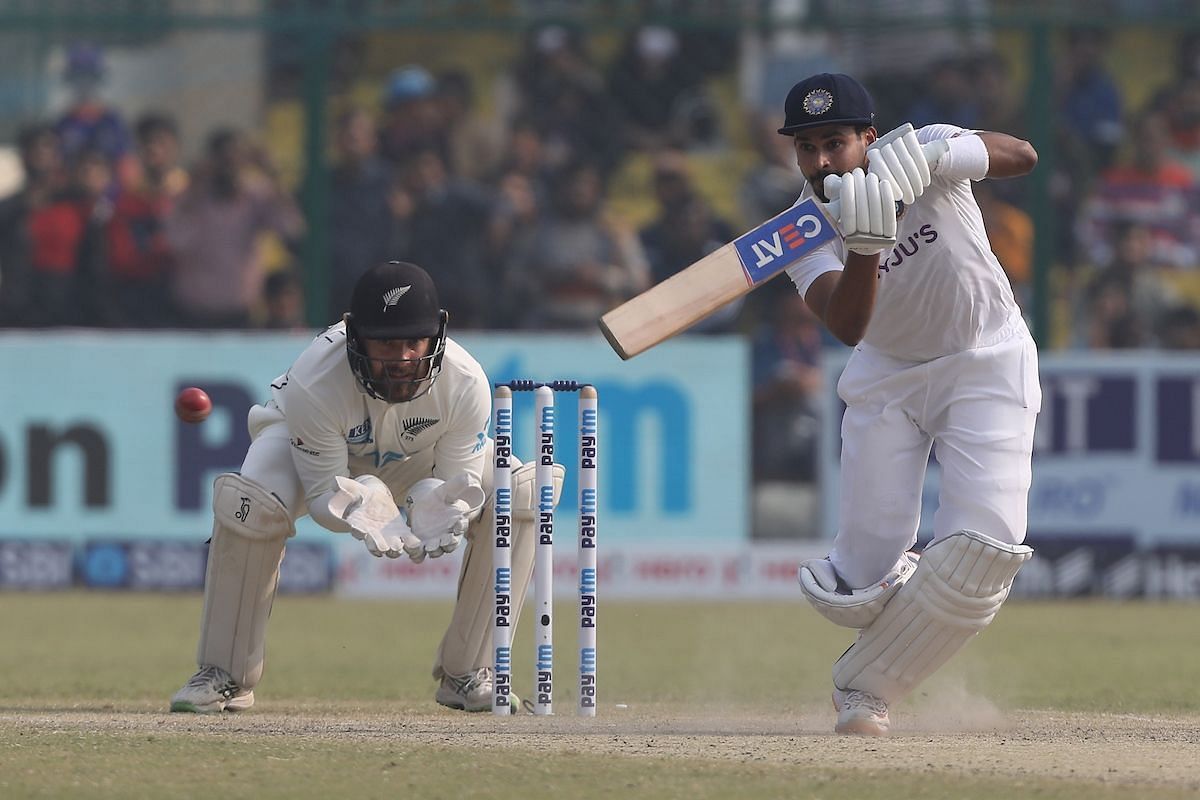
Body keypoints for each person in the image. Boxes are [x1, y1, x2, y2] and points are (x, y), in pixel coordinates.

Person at [169, 260, 561, 714]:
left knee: (520, 493)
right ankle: (225, 675)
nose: (401, 359)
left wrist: (433, 502)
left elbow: (461, 484)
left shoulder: (466, 381)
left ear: (437, 335)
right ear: (356, 336)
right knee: (250, 504)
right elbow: (320, 497)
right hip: (310, 453)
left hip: (421, 461)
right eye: (386, 344)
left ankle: (469, 672)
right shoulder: (315, 380)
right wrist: (361, 498)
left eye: (413, 343)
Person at [776, 73, 1041, 735]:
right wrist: (868, 245)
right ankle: (895, 577)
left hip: (986, 359)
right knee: (855, 587)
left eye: (834, 142)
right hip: (886, 380)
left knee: (984, 551)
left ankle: (865, 689)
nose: (821, 162)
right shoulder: (798, 228)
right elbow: (846, 326)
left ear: (868, 135)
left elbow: (1023, 156)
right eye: (806, 148)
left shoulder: (926, 148)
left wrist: (938, 158)